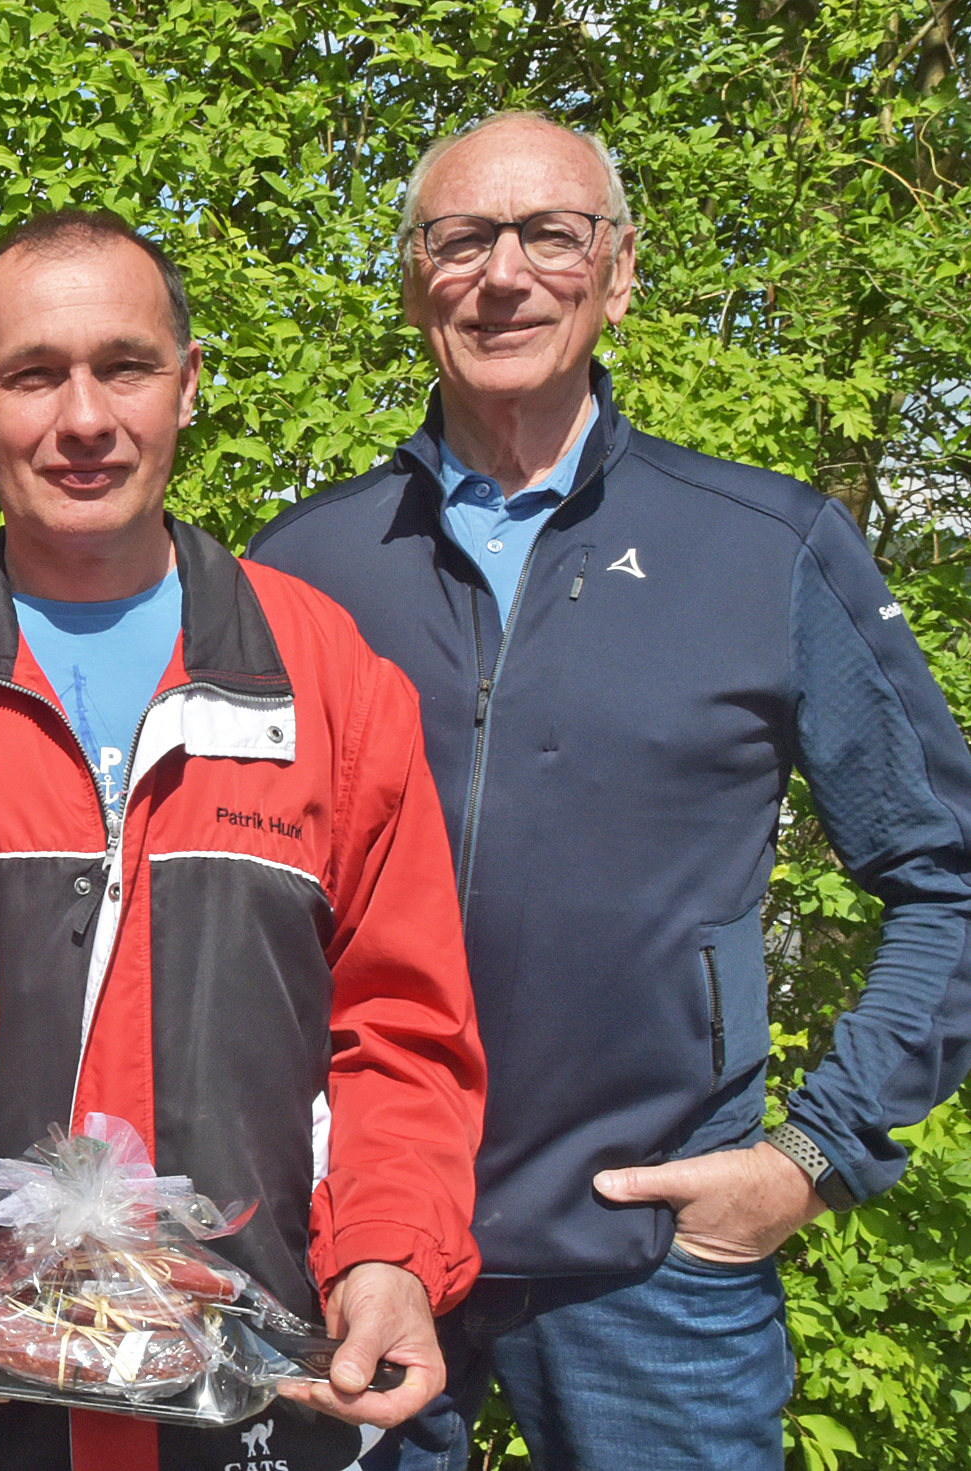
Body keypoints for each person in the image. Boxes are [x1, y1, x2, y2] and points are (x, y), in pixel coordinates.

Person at [247, 111, 971, 1470]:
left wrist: (814, 1155)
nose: (502, 274)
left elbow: (948, 875)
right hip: (349, 1250)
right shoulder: (301, 571)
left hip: (652, 1263)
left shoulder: (763, 548)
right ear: (411, 283)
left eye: (550, 235)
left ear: (618, 273)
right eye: (460, 239)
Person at [0, 210, 487, 1471]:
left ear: (189, 383)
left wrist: (388, 1254)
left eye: (126, 367)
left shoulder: (329, 681)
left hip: (266, 1392)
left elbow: (403, 1030)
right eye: (33, 375)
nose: (85, 418)